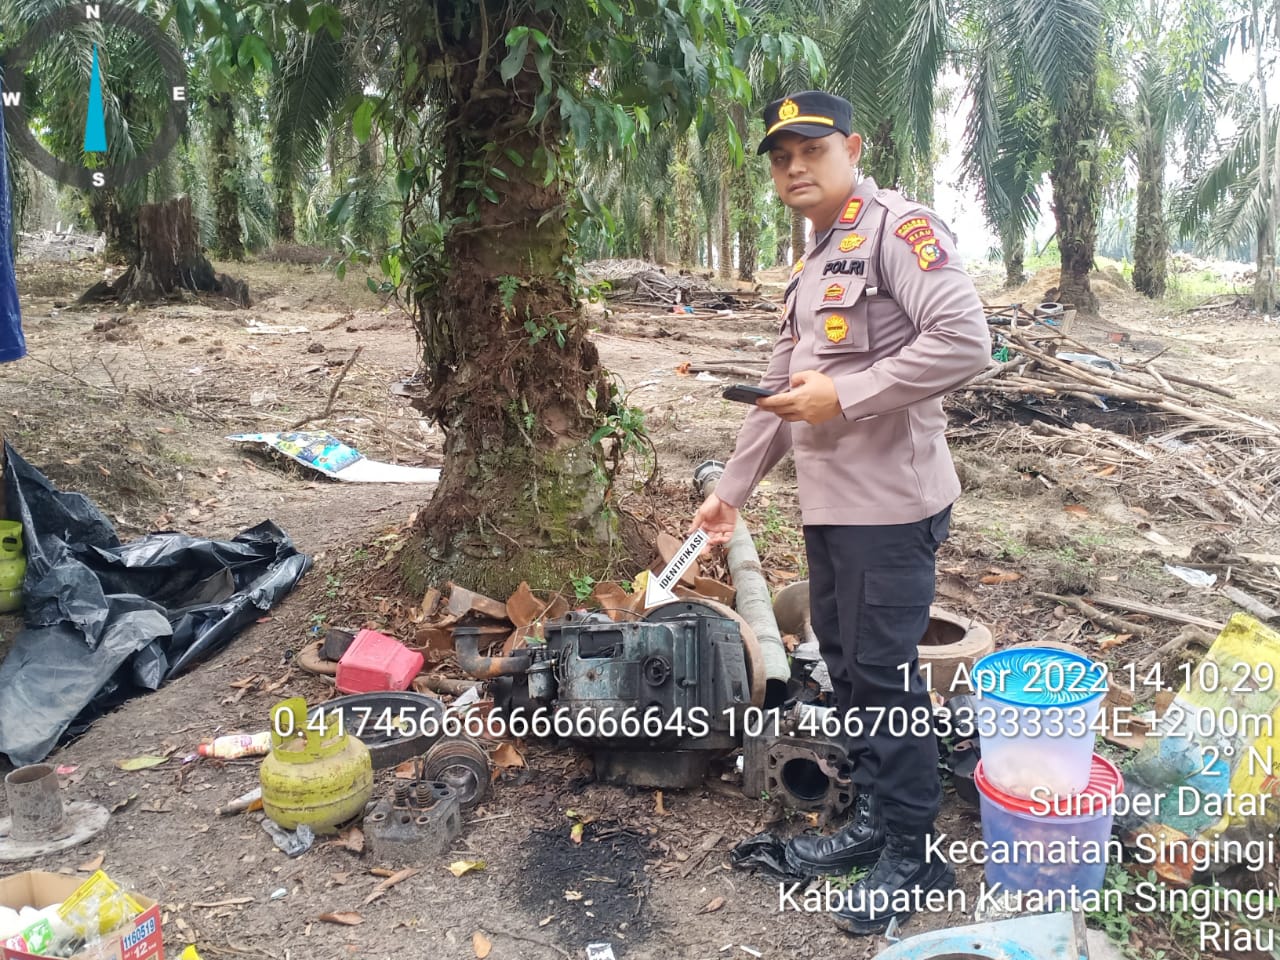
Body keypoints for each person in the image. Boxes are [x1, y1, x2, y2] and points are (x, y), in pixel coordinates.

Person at [689, 91, 991, 935]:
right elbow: (782, 394)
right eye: (781, 157)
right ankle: (875, 826)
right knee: (852, 674)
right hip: (833, 512)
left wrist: (847, 394)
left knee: (884, 680)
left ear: (853, 148)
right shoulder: (816, 262)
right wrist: (731, 493)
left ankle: (915, 856)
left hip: (891, 510)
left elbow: (967, 341)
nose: (793, 168)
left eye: (811, 151)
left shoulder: (901, 229)